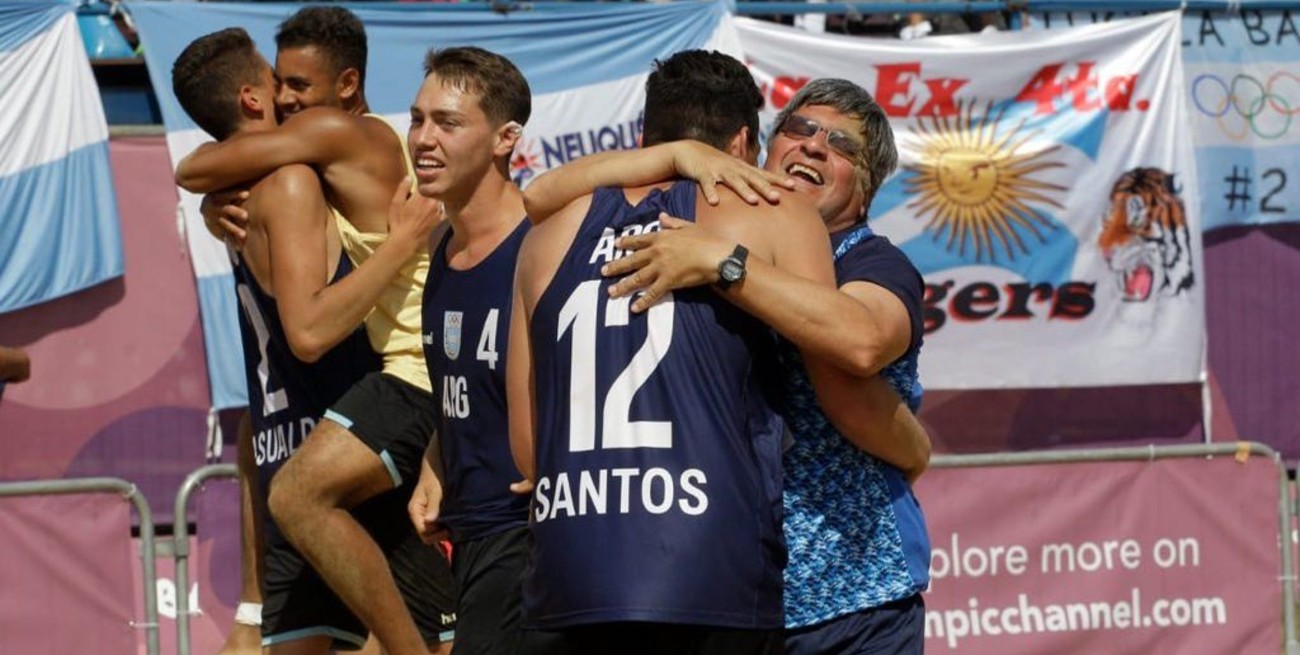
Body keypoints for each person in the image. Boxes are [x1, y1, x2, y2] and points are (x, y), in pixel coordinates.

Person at [524, 76, 932, 654]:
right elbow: (539, 195)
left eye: (842, 146)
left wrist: (725, 264)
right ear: (758, 149)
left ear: (864, 192)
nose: (815, 146)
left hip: (853, 590)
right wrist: (673, 153)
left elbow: (861, 341)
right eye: (801, 129)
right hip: (730, 588)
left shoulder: (871, 261)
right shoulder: (701, 225)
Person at [173, 13, 457, 654]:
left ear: (349, 83)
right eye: (280, 83)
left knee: (300, 498)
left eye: (295, 82)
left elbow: (305, 334)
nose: (286, 96)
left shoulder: (329, 143)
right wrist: (210, 201)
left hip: (411, 380)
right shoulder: (284, 181)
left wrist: (202, 188)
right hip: (338, 412)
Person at [403, 46, 533, 655]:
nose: (423, 138)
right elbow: (469, 381)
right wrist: (436, 457)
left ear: (506, 138)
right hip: (468, 537)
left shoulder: (545, 246)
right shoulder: (439, 245)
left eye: (448, 123)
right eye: (417, 118)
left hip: (531, 536)